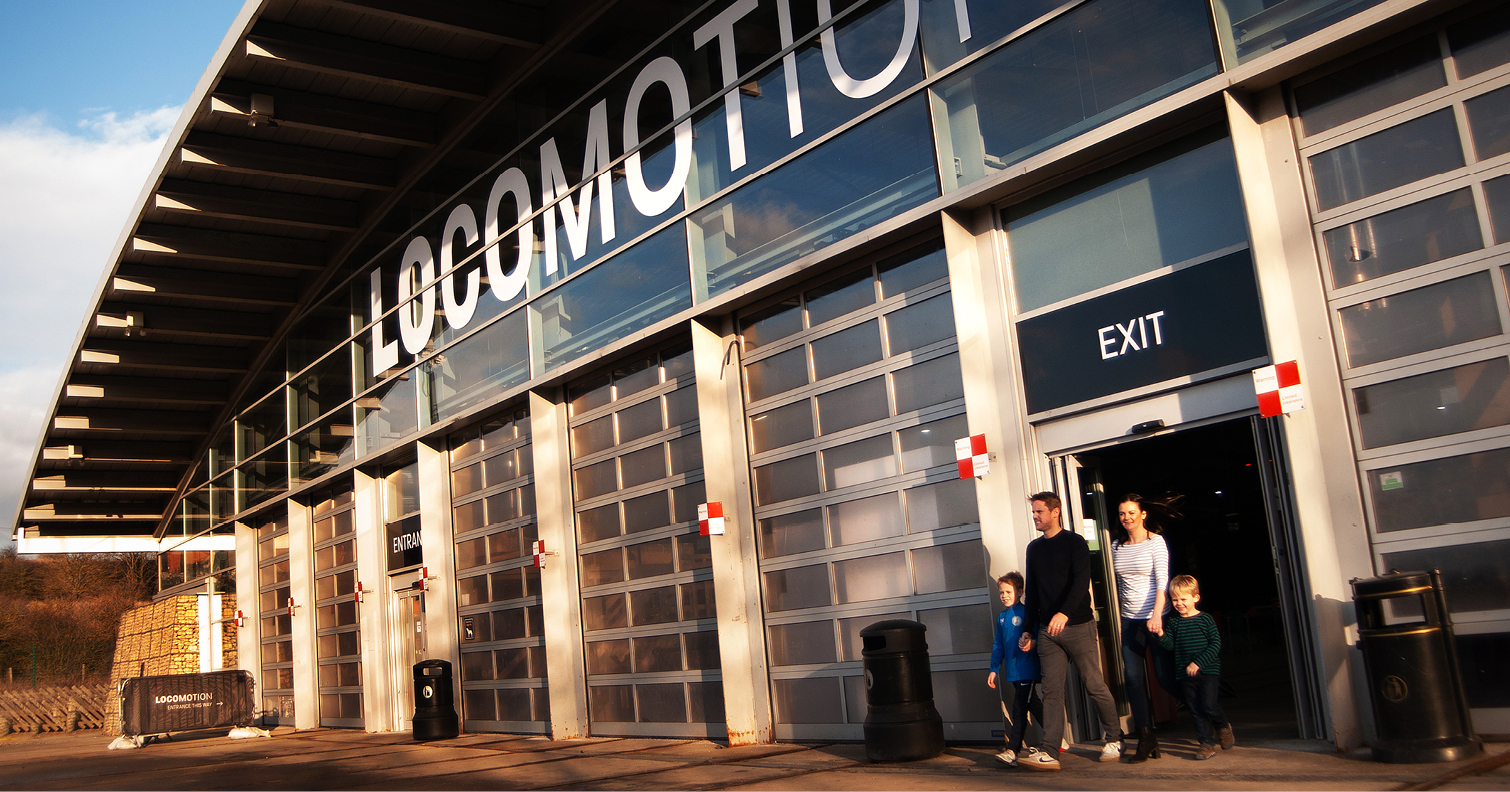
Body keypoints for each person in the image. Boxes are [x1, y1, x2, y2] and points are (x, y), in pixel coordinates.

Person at [1017, 492, 1124, 771]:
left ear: (1055, 512)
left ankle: (1114, 738)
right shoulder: (1034, 548)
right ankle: (1050, 750)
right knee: (1051, 691)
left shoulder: (1075, 543)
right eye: (1033, 512)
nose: (1035, 517)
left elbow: (1081, 582)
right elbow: (1034, 591)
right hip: (1047, 632)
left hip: (1078, 625)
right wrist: (1028, 629)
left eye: (1039, 511)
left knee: (1094, 684)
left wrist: (1064, 613)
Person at [1111, 493, 1178, 763]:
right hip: (1130, 620)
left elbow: (1163, 581)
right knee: (1134, 680)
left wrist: (1157, 615)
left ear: (1143, 514)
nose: (1126, 518)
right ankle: (1146, 737)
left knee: (1163, 677)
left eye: (1131, 512)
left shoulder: (1156, 542)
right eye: (1122, 513)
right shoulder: (1117, 546)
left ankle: (1207, 712)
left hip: (1156, 617)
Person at [1158, 575, 1235, 759]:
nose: (1179, 603)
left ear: (1196, 598)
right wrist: (1160, 634)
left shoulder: (1205, 620)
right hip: (1185, 674)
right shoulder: (1174, 622)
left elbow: (1215, 644)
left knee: (1209, 705)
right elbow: (1171, 646)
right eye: (1175, 600)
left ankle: (1223, 726)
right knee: (1195, 709)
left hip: (1208, 671)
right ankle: (1206, 744)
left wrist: (1199, 662)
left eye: (1183, 599)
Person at [987, 571, 1041, 767]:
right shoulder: (1002, 617)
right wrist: (994, 668)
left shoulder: (1027, 613)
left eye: (1008, 591)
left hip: (1026, 669)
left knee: (1019, 708)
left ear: (1020, 591)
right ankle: (1057, 738)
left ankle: (1013, 751)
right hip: (1013, 671)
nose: (1004, 596)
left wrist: (1032, 643)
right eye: (1001, 592)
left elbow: (1038, 636)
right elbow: (998, 644)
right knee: (1033, 704)